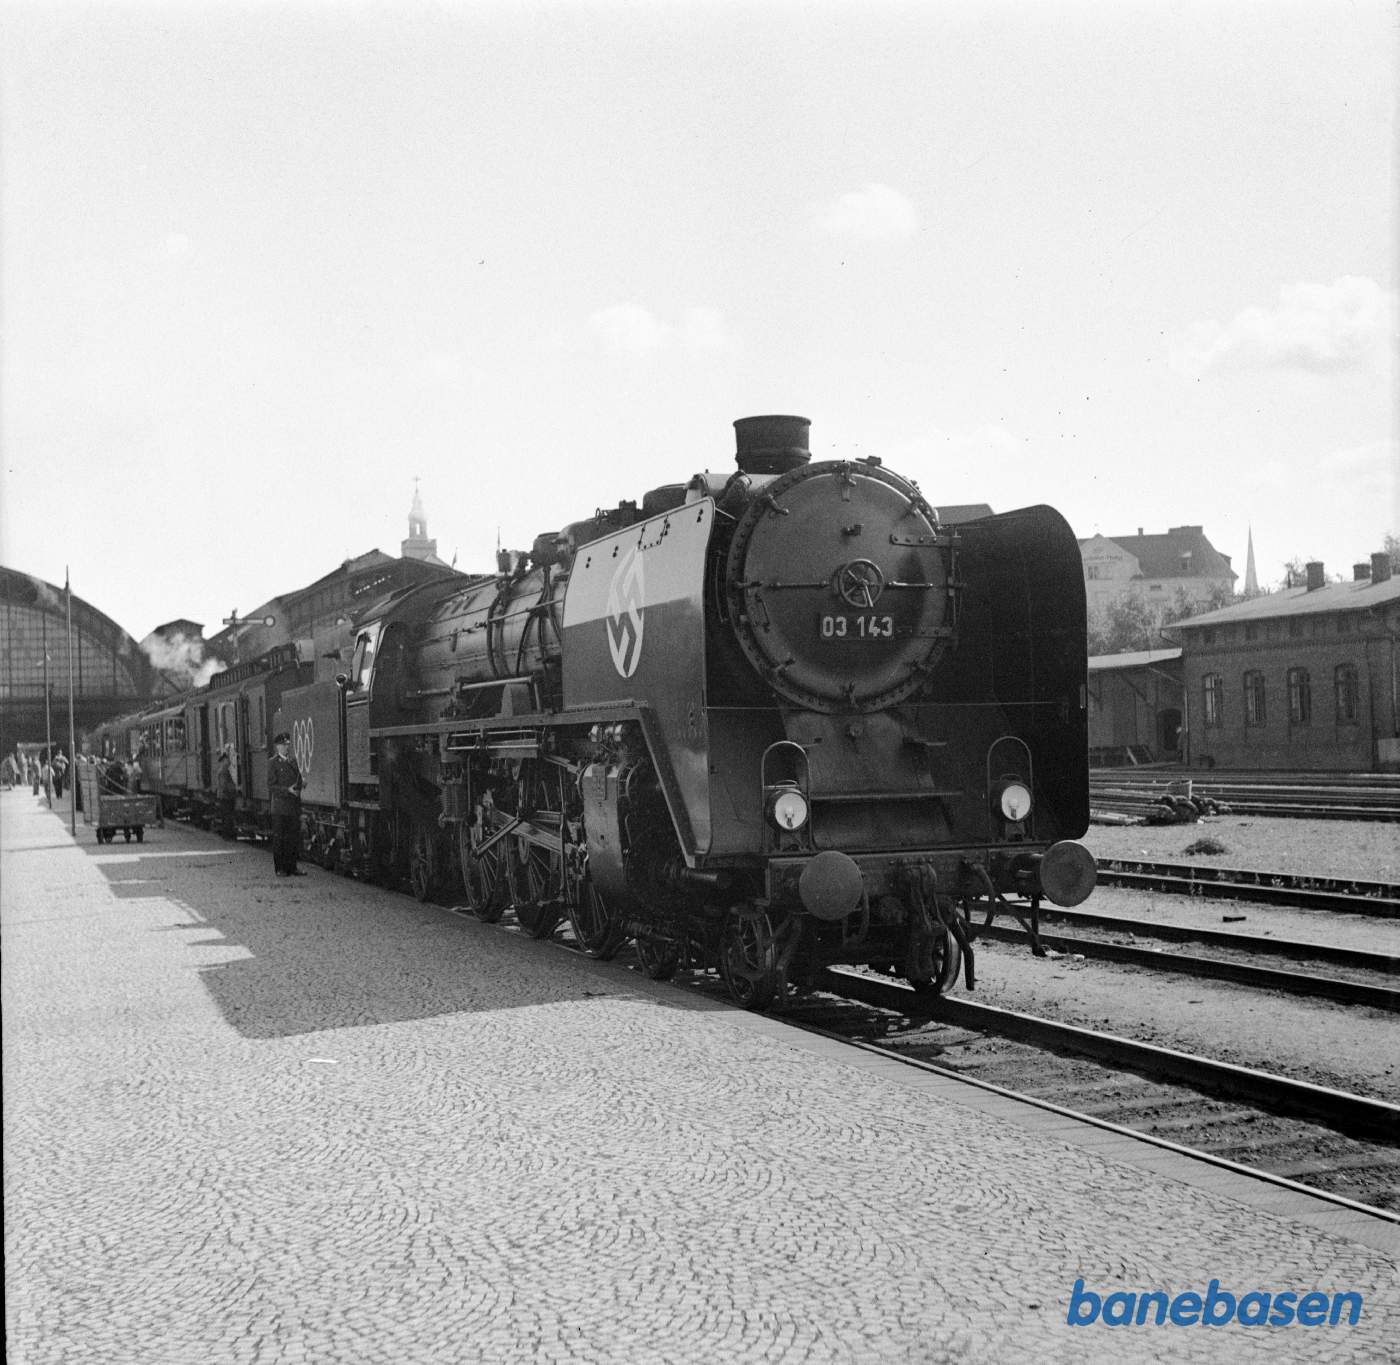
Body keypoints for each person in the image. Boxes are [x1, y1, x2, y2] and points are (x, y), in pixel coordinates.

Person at [267, 731, 306, 877]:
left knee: (292, 838)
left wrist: (302, 783)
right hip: (280, 807)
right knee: (280, 839)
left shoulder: (292, 761)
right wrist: (287, 790)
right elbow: (271, 786)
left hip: (292, 806)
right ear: (277, 747)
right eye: (283, 745)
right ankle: (280, 868)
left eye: (287, 745)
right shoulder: (273, 763)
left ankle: (292, 866)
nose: (286, 748)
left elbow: (298, 779)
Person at [215, 747, 237, 839]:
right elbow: (225, 785)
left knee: (226, 816)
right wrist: (235, 788)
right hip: (226, 796)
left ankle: (227, 834)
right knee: (228, 816)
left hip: (223, 796)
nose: (229, 761)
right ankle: (227, 834)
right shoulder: (224, 771)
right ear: (224, 760)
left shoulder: (223, 770)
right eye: (227, 759)